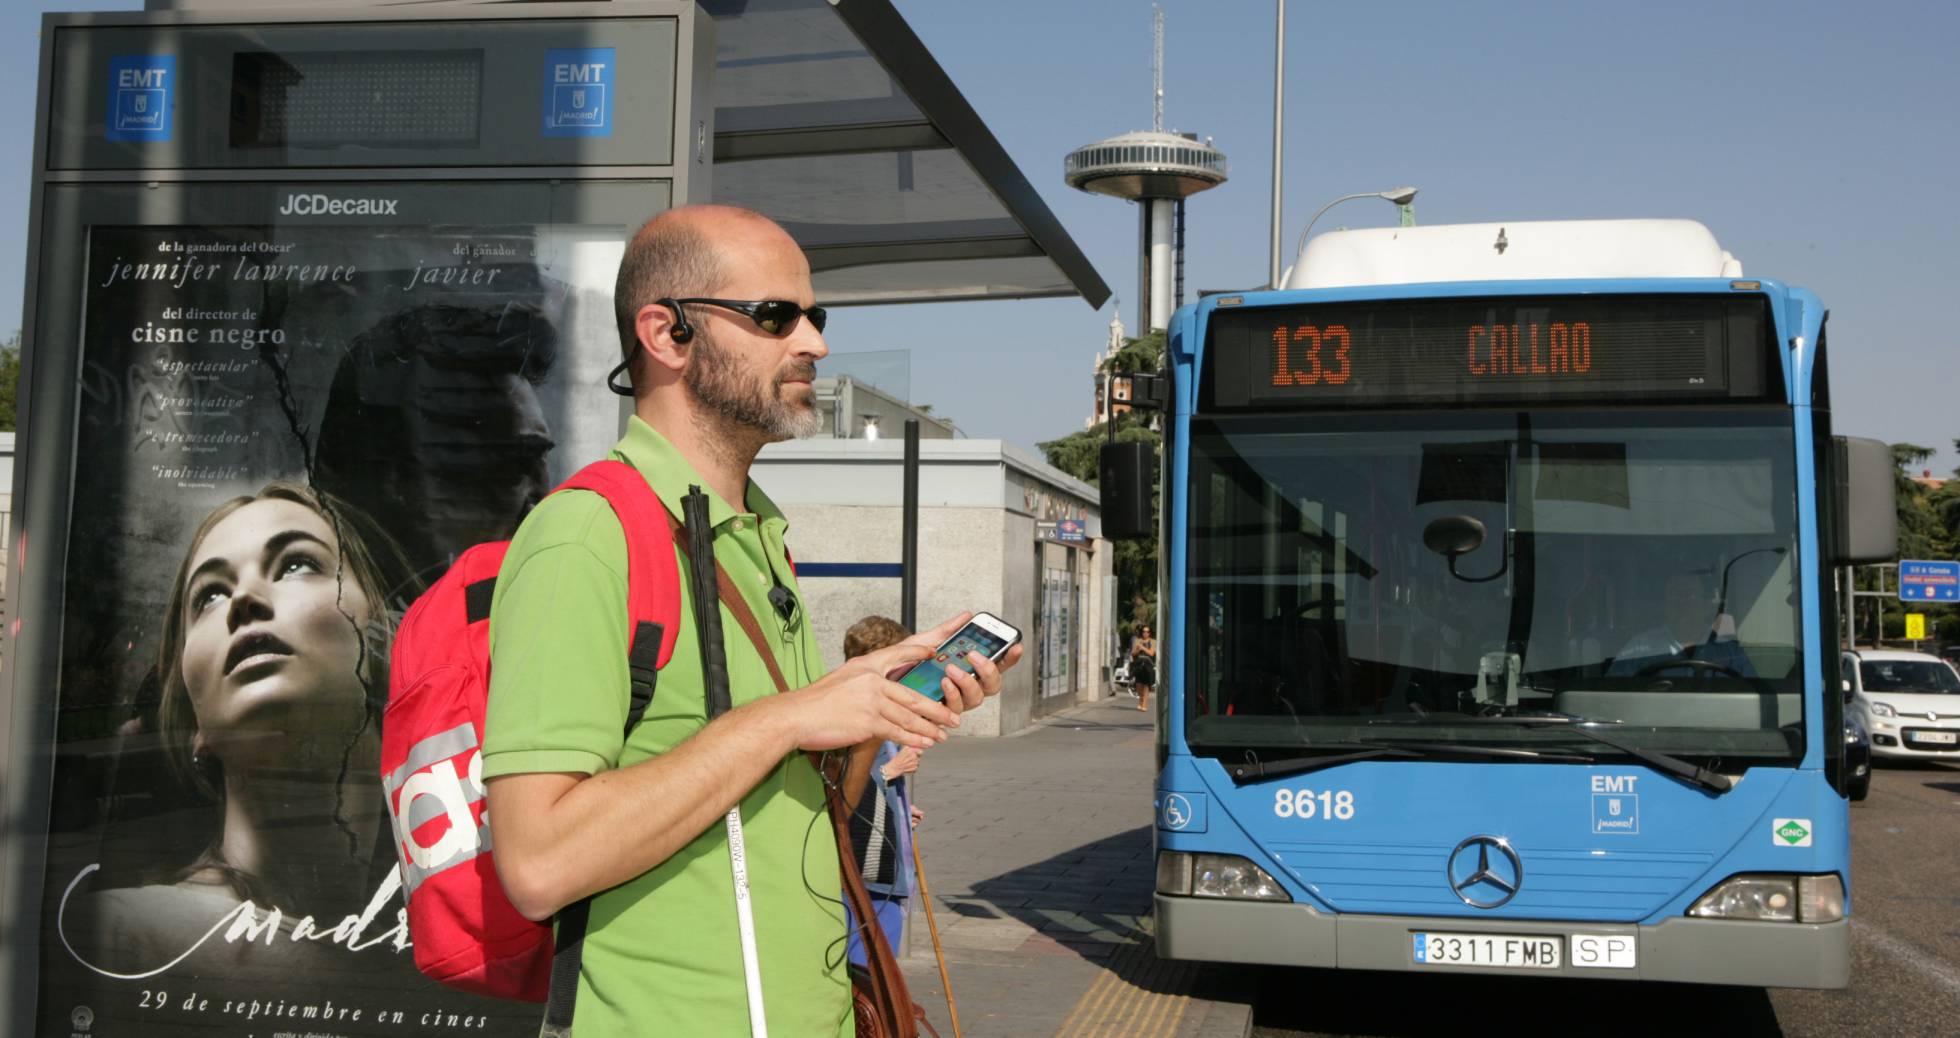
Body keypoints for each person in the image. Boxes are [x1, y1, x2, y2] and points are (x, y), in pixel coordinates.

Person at [482, 204, 1023, 1037]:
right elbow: (539, 861)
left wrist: (872, 713)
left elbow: (790, 804)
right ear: (666, 334)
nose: (813, 342)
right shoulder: (586, 533)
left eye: (815, 316)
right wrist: (786, 717)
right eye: (774, 316)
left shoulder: (758, 533)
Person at [74, 482, 408, 972]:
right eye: (209, 595)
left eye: (297, 564)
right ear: (194, 725)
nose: (244, 599)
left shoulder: (450, 961)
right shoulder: (112, 943)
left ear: (388, 636)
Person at [840, 615, 925, 968]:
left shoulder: (874, 710)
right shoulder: (849, 711)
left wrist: (901, 811)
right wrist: (891, 771)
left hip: (875, 863)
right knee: (868, 968)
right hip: (867, 870)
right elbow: (837, 784)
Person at [1607, 570, 1755, 678]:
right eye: (1674, 595)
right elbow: (1611, 694)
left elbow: (1754, 695)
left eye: (1689, 595)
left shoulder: (1731, 653)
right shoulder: (1639, 648)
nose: (1681, 603)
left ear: (1707, 606)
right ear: (1665, 605)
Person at [1131, 623, 1158, 712]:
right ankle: (1141, 699)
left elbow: (1151, 653)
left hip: (1148, 664)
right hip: (1139, 663)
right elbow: (1133, 654)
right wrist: (1138, 649)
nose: (1145, 633)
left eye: (1147, 632)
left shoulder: (1154, 642)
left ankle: (1144, 704)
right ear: (1141, 633)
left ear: (1150, 633)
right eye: (1143, 632)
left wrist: (1143, 648)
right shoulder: (1137, 641)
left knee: (1146, 685)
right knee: (1139, 685)